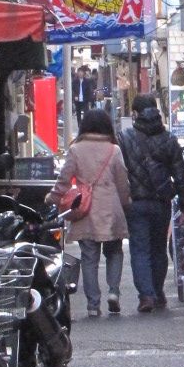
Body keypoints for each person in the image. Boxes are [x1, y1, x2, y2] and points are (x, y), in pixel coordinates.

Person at [51, 109, 131, 317]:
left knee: (89, 257)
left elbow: (64, 179)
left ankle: (93, 304)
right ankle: (113, 292)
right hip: (110, 207)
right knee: (114, 252)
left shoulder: (76, 150)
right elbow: (122, 181)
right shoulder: (114, 150)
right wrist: (125, 203)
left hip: (84, 209)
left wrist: (53, 198)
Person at [119, 93, 184, 313]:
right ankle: (158, 292)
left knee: (140, 249)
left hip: (136, 202)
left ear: (135, 113)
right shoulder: (169, 139)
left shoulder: (125, 138)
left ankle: (146, 296)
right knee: (159, 248)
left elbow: (120, 173)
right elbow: (180, 175)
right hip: (161, 201)